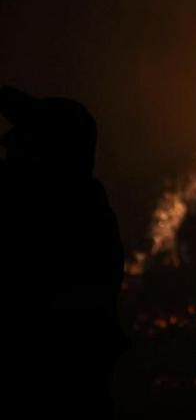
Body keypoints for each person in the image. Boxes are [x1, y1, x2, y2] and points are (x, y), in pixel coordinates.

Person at [0, 86, 125, 418]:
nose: (7, 143)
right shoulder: (79, 207)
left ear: (47, 152)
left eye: (22, 137)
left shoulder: (61, 214)